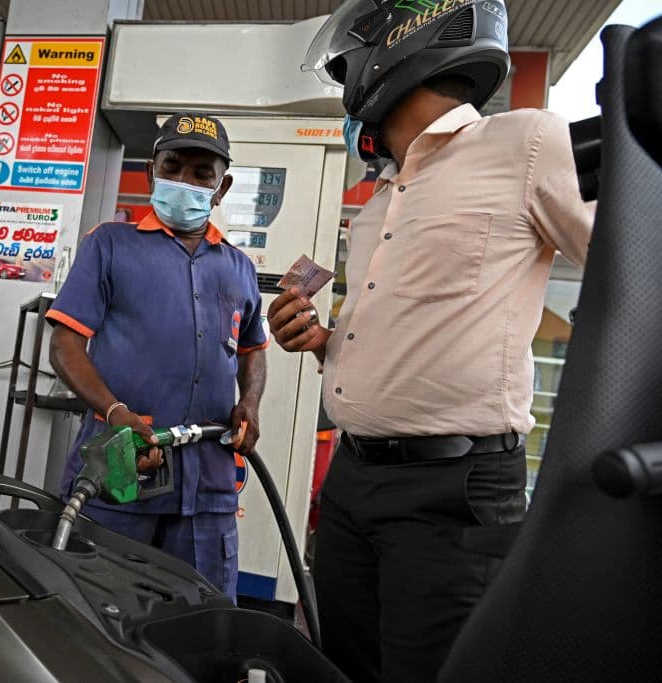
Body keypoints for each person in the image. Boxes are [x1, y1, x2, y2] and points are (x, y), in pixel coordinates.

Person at [268, 2, 594, 681]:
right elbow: (403, 336)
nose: (348, 87)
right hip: (354, 480)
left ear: (391, 49)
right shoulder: (379, 201)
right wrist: (323, 340)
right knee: (338, 668)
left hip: (453, 492)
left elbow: (631, 260)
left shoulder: (525, 141)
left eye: (347, 69)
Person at [46, 113, 268, 600]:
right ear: (151, 172)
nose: (183, 182)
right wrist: (114, 411)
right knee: (102, 613)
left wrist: (249, 404)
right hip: (120, 472)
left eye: (201, 174)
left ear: (222, 188)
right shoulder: (110, 245)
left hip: (209, 486)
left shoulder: (239, 268)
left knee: (203, 620)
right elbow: (64, 344)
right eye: (172, 167)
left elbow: (253, 349)